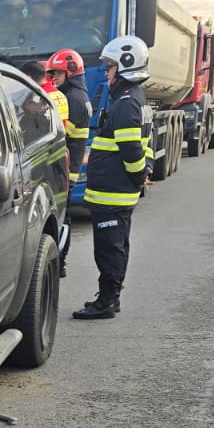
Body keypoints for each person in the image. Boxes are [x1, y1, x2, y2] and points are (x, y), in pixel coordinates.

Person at [73, 35, 153, 321]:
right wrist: (145, 170)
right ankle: (111, 298)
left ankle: (107, 301)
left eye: (109, 67)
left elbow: (132, 150)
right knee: (116, 247)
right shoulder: (134, 100)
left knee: (109, 250)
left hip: (112, 195)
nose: (106, 72)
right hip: (115, 194)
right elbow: (146, 145)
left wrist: (139, 175)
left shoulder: (125, 104)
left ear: (125, 65)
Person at [45, 48, 93, 188]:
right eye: (53, 73)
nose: (54, 77)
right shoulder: (79, 95)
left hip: (65, 170)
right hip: (70, 167)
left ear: (71, 72)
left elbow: (61, 134)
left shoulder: (72, 98)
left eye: (59, 73)